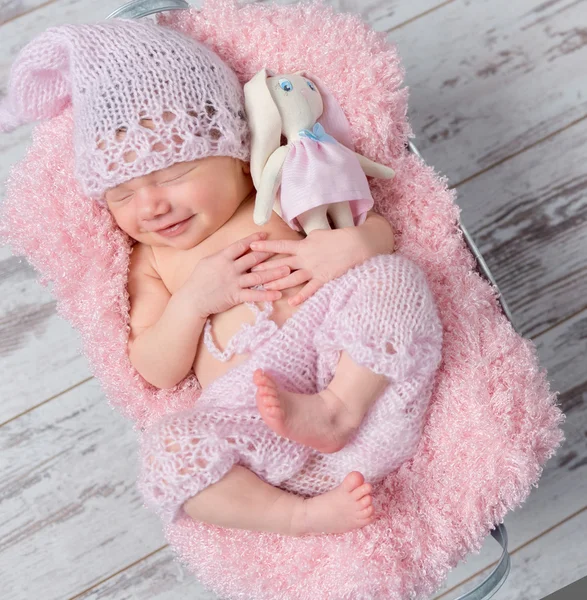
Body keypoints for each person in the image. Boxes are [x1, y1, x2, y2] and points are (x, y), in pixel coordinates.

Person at [0, 19, 443, 537]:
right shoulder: (152, 261)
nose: (151, 206)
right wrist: (192, 301)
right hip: (249, 410)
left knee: (392, 278)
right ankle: (300, 516)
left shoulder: (273, 191)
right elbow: (156, 369)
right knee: (167, 453)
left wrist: (351, 247)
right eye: (121, 195)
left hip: (353, 370)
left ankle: (336, 409)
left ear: (238, 158)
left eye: (172, 174)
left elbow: (377, 234)